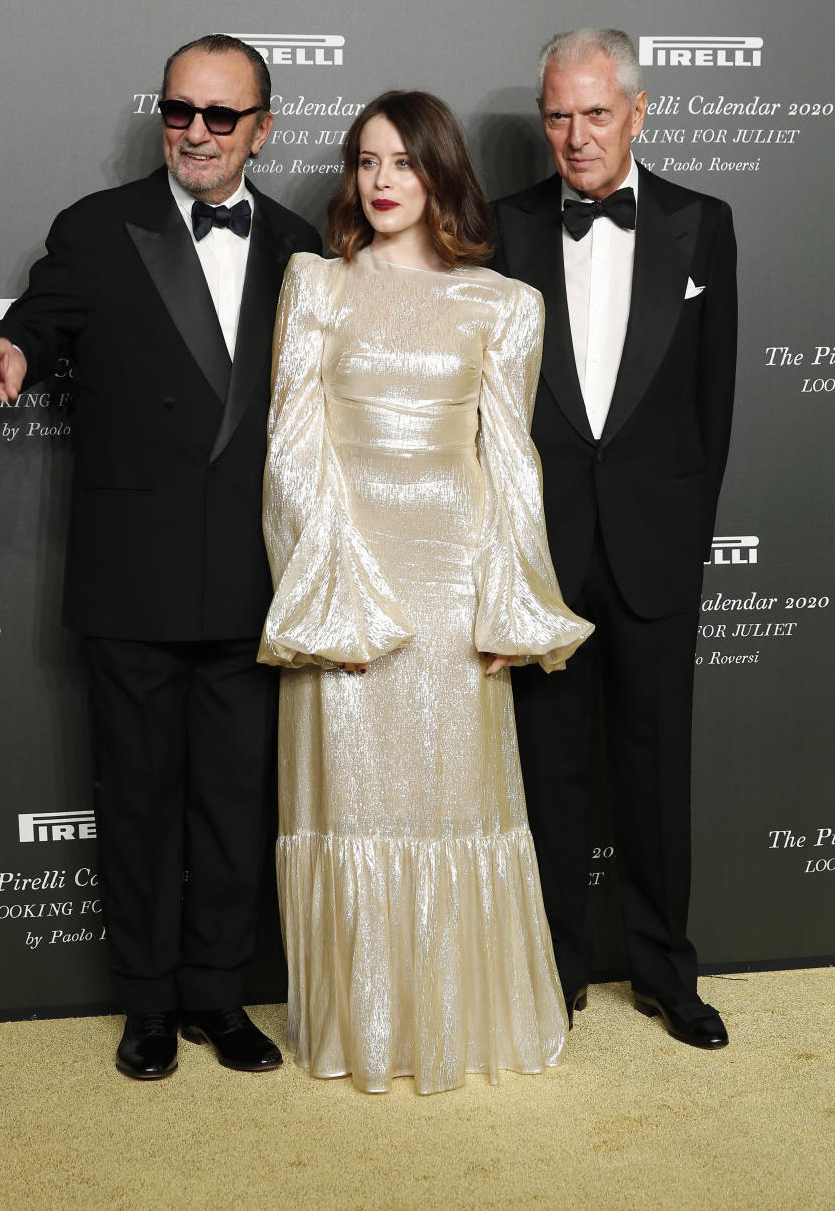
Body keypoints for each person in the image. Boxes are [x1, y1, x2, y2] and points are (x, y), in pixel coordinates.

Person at [0, 34, 321, 1079]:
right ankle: (148, 1004)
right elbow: (42, 316)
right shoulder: (96, 226)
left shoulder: (302, 247)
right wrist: (14, 352)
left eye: (220, 115)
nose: (195, 132)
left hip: (254, 579)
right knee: (137, 803)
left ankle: (220, 994)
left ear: (260, 128)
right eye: (179, 110)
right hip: (133, 578)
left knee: (234, 804)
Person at [257, 90, 592, 1094]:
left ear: (442, 174)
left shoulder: (503, 303)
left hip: (452, 583)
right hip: (352, 574)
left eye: (404, 161)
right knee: (354, 802)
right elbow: (292, 452)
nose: (382, 180)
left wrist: (511, 605)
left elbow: (512, 465)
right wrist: (330, 599)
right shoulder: (316, 284)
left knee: (457, 803)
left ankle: (462, 1022)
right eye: (367, 161)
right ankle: (371, 1028)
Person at [491, 29, 737, 1049]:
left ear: (638, 112)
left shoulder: (701, 223)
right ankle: (555, 971)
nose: (575, 135)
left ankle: (666, 971)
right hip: (544, 552)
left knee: (655, 770)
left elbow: (710, 407)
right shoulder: (503, 228)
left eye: (596, 112)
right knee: (549, 772)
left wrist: (682, 538)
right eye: (557, 114)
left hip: (653, 550)